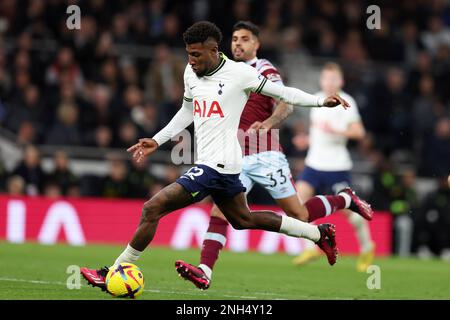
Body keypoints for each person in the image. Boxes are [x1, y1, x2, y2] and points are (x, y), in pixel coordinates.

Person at [81, 21, 372, 291]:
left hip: (217, 166)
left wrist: (321, 101)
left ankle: (114, 272)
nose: (191, 60)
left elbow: (286, 94)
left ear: (212, 50)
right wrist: (157, 140)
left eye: (196, 54)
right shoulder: (190, 72)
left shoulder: (240, 74)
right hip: (229, 165)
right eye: (188, 54)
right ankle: (318, 235)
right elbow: (187, 110)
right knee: (243, 220)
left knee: (152, 208)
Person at [173, 21, 373, 290]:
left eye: (245, 39)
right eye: (234, 39)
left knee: (300, 215)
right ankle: (205, 271)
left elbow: (285, 102)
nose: (238, 44)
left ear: (256, 44)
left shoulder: (264, 69)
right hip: (235, 157)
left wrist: (267, 124)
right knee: (220, 211)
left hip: (266, 154)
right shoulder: (226, 71)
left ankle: (345, 199)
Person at [292, 62, 375, 272]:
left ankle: (367, 247)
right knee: (297, 204)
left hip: (337, 166)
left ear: (341, 81)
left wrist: (336, 131)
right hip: (313, 164)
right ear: (321, 80)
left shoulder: (348, 102)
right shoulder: (318, 99)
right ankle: (310, 247)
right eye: (325, 78)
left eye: (333, 79)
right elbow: (319, 133)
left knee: (350, 212)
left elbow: (359, 133)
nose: (328, 82)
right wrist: (307, 140)